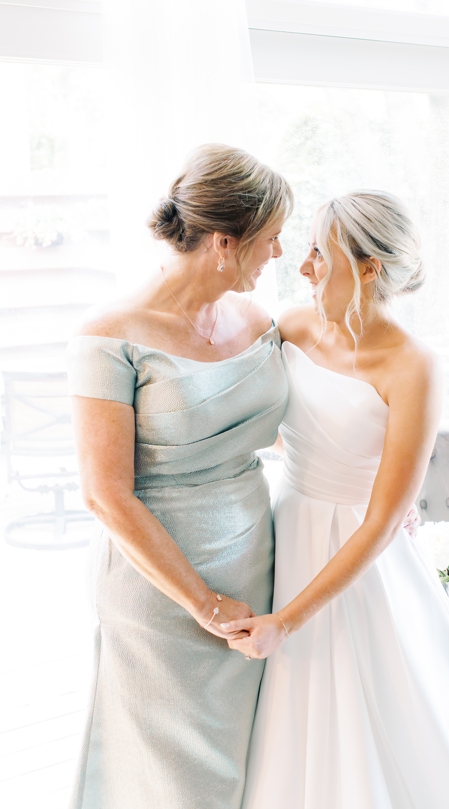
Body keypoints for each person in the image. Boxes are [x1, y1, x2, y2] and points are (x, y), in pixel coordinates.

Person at [227, 191, 449, 808]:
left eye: (320, 254)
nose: (304, 266)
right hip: (286, 527)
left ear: (369, 268)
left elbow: (386, 517)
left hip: (362, 550)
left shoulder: (413, 365)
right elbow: (268, 424)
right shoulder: (291, 326)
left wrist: (285, 622)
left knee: (386, 710)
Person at [66, 144, 292, 809]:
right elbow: (104, 493)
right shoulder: (109, 336)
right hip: (160, 591)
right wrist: (203, 603)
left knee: (250, 769)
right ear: (226, 242)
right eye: (271, 238)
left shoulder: (260, 322)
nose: (279, 253)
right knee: (173, 784)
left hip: (256, 564)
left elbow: (300, 427)